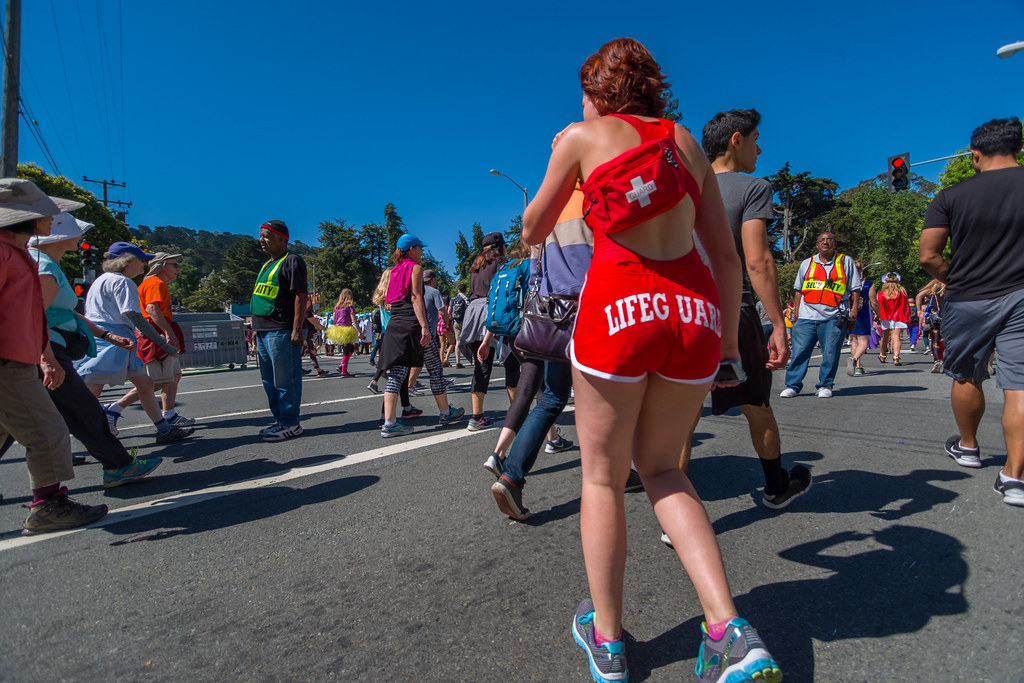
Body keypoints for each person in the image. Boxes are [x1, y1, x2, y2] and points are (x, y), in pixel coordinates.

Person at [523, 38, 781, 683]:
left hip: (620, 308)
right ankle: (728, 629)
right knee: (667, 472)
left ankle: (607, 641)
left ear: (596, 92)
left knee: (603, 479)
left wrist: (565, 152)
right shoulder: (686, 142)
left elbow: (532, 228)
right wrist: (725, 343)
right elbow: (724, 257)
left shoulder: (583, 136)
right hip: (693, 317)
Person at [685, 107, 809, 509]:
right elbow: (757, 261)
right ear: (736, 140)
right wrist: (778, 324)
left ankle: (678, 512)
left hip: (681, 315)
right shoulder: (754, 187)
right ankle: (775, 486)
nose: (761, 148)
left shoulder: (683, 189)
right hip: (730, 315)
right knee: (756, 404)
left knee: (682, 416)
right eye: (756, 139)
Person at [919, 117, 1024, 508]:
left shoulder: (951, 196)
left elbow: (928, 255)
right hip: (1022, 296)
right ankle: (1015, 476)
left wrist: (954, 276)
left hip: (967, 298)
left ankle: (968, 447)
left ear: (975, 154)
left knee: (966, 373)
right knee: (1019, 385)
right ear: (1017, 148)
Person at [0, 177, 109, 534]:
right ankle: (48, 505)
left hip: (20, 356)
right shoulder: (4, 252)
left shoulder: (17, 252)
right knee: (47, 432)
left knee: (8, 431)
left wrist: (42, 354)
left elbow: (30, 314)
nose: (52, 219)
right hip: (7, 361)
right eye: (46, 213)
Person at [28, 212, 162, 487]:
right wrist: (47, 356)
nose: (82, 238)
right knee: (84, 407)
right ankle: (115, 467)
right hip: (49, 346)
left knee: (22, 418)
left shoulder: (65, 269)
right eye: (78, 233)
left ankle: (123, 458)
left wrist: (105, 334)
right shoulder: (45, 267)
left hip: (60, 343)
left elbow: (66, 311)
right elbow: (33, 314)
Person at [488, 191, 589, 519]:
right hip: (589, 310)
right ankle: (618, 471)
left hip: (550, 313)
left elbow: (534, 271)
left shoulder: (547, 206)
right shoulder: (596, 194)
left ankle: (512, 474)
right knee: (604, 398)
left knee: (552, 398)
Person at [75, 242, 193, 443]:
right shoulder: (124, 282)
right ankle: (76, 436)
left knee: (146, 383)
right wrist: (162, 342)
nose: (145, 264)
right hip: (114, 340)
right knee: (92, 390)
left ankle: (164, 429)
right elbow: (133, 315)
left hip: (108, 337)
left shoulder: (101, 280)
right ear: (127, 261)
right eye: (142, 260)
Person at [107, 252, 195, 429]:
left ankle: (169, 414)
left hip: (156, 333)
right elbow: (152, 309)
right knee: (156, 381)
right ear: (161, 266)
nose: (178, 268)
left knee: (174, 375)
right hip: (155, 335)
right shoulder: (155, 282)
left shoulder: (154, 283)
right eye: (174, 264)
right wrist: (168, 333)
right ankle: (114, 409)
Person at [780, 232, 861, 398]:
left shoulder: (846, 262)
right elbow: (799, 291)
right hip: (806, 316)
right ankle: (792, 385)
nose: (826, 242)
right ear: (817, 245)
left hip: (834, 316)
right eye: (822, 240)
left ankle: (825, 385)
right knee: (799, 352)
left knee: (830, 353)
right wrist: (796, 313)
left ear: (834, 244)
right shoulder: (806, 263)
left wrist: (853, 311)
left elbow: (855, 289)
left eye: (829, 239)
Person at [251, 220, 308, 442]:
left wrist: (296, 329)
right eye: (260, 236)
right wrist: (256, 330)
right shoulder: (266, 265)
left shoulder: (292, 261)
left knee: (286, 380)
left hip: (281, 330)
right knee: (269, 381)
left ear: (282, 239)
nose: (261, 240)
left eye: (266, 236)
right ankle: (279, 420)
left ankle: (291, 422)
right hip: (264, 330)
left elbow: (301, 296)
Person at [376, 234, 439, 437]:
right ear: (411, 249)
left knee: (396, 375)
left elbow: (390, 300)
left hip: (395, 322)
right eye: (420, 248)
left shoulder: (394, 270)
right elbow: (415, 297)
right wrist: (424, 326)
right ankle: (446, 412)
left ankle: (389, 422)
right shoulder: (415, 268)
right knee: (432, 367)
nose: (422, 251)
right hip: (410, 323)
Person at [459, 232, 507, 430]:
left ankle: (477, 415)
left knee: (480, 365)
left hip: (472, 312)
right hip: (489, 309)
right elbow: (502, 289)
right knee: (487, 364)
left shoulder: (475, 265)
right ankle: (476, 417)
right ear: (500, 246)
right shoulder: (500, 261)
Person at [847, 261, 877, 376]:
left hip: (850, 314)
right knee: (864, 341)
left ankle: (858, 366)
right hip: (863, 314)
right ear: (861, 270)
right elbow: (874, 302)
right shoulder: (868, 284)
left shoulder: (847, 283)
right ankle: (854, 359)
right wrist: (878, 315)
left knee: (854, 341)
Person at [876, 272, 911, 366]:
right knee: (896, 337)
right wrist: (908, 316)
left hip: (885, 317)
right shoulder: (902, 293)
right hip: (898, 316)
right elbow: (906, 306)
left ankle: (882, 355)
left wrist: (878, 317)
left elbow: (878, 307)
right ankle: (896, 358)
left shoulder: (881, 294)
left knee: (885, 337)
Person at [328, 288, 358, 377]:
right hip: (347, 329)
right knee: (347, 350)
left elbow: (334, 319)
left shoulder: (336, 306)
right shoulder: (350, 307)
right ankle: (344, 371)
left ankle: (342, 366)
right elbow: (354, 319)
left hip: (339, 329)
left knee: (351, 348)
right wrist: (359, 331)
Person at [449, 283, 469, 368]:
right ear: (465, 290)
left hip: (456, 322)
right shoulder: (466, 299)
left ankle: (458, 362)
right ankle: (475, 360)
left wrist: (450, 320)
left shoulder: (453, 299)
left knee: (457, 341)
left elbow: (449, 311)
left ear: (458, 290)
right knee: (469, 341)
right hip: (465, 322)